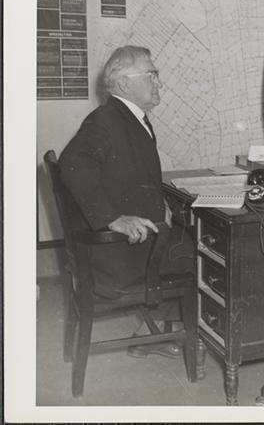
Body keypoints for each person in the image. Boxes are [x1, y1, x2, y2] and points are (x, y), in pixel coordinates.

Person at [59, 45, 194, 358]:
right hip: (118, 255)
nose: (159, 82)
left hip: (127, 247)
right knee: (204, 253)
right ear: (123, 83)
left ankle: (153, 330)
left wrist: (160, 204)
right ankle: (182, 334)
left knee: (189, 239)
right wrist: (112, 219)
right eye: (151, 75)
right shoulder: (105, 120)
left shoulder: (128, 117)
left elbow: (130, 176)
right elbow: (72, 166)